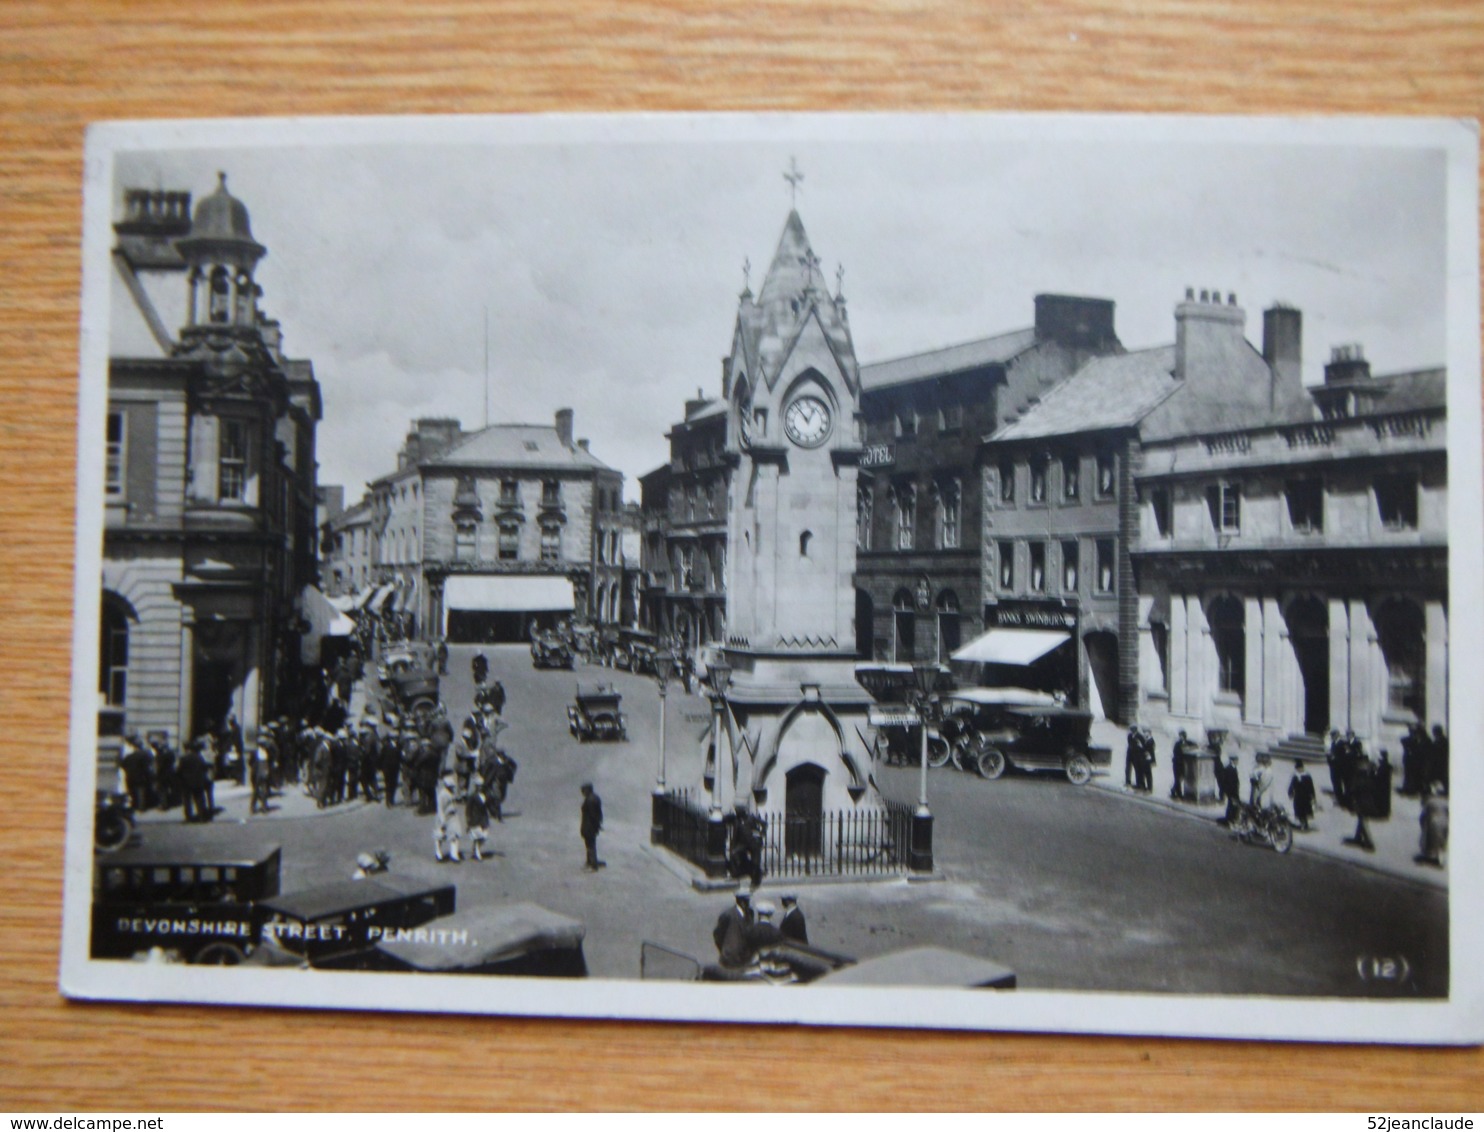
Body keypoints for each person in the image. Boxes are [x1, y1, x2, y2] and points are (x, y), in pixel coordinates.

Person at [715, 892, 754, 969]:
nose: (748, 904)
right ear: (740, 902)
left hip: (745, 958)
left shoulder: (750, 913)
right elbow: (718, 935)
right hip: (730, 958)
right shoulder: (728, 915)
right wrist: (725, 949)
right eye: (746, 902)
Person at [1418, 782, 1448, 867]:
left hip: (1433, 823)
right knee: (1441, 841)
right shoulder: (1445, 801)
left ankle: (1430, 856)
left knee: (1430, 840)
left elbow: (1423, 816)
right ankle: (1439, 857)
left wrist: (1423, 824)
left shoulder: (1429, 801)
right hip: (1444, 822)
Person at [580, 782, 604, 871]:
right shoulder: (594, 798)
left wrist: (594, 825)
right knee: (590, 843)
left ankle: (593, 864)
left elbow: (593, 815)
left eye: (583, 790)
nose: (582, 793)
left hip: (589, 826)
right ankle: (590, 861)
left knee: (590, 844)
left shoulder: (590, 800)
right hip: (590, 825)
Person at [1288, 760, 1317, 831]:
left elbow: (1311, 787)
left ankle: (1305, 823)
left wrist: (1312, 796)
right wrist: (1290, 792)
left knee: (1305, 810)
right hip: (1298, 796)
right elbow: (1292, 785)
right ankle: (1302, 823)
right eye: (1298, 768)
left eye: (1300, 768)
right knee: (1299, 810)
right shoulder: (1295, 776)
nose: (1299, 770)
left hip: (1305, 796)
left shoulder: (1307, 776)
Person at [1216, 754, 1242, 825]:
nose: (1237, 762)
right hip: (1232, 791)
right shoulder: (1229, 769)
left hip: (1233, 790)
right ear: (1232, 760)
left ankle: (1231, 818)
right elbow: (1227, 781)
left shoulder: (1232, 768)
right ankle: (1230, 819)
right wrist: (1228, 791)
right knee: (1232, 805)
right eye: (1236, 760)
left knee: (1232, 805)